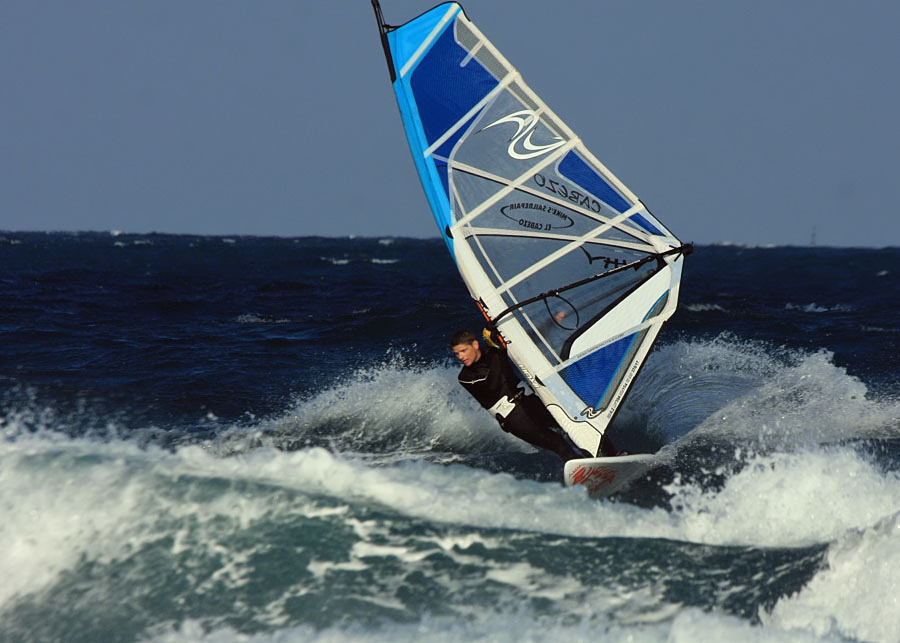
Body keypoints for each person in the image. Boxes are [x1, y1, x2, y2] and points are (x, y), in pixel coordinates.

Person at [449, 329, 592, 462]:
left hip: (529, 401)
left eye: (463, 351)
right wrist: (498, 350)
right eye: (457, 354)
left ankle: (609, 454)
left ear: (475, 345)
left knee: (576, 423)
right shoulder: (466, 377)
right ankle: (588, 472)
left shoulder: (493, 352)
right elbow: (493, 382)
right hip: (513, 417)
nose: (461, 357)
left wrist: (549, 324)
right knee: (558, 442)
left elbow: (523, 342)